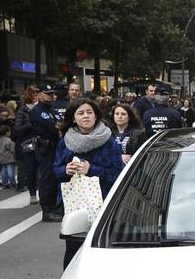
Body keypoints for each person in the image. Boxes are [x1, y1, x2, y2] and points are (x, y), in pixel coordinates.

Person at [54, 98, 124, 267]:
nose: (85, 116)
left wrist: (91, 170)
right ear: (73, 118)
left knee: (103, 248)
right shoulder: (65, 142)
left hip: (104, 202)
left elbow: (117, 174)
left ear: (96, 116)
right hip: (75, 205)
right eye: (80, 113)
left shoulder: (108, 140)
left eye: (89, 112)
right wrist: (66, 170)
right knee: (73, 250)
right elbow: (56, 170)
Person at [28, 87, 63, 221]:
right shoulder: (37, 111)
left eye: (52, 94)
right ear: (39, 95)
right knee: (47, 178)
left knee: (54, 177)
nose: (51, 96)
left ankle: (54, 207)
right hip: (46, 147)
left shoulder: (51, 110)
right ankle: (47, 211)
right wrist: (57, 130)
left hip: (55, 147)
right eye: (47, 94)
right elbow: (51, 128)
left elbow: (59, 125)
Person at [0, 124, 16, 190]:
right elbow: (12, 149)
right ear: (7, 133)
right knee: (10, 171)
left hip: (1, 158)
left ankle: (5, 183)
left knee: (3, 171)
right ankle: (12, 183)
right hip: (9, 158)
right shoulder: (8, 140)